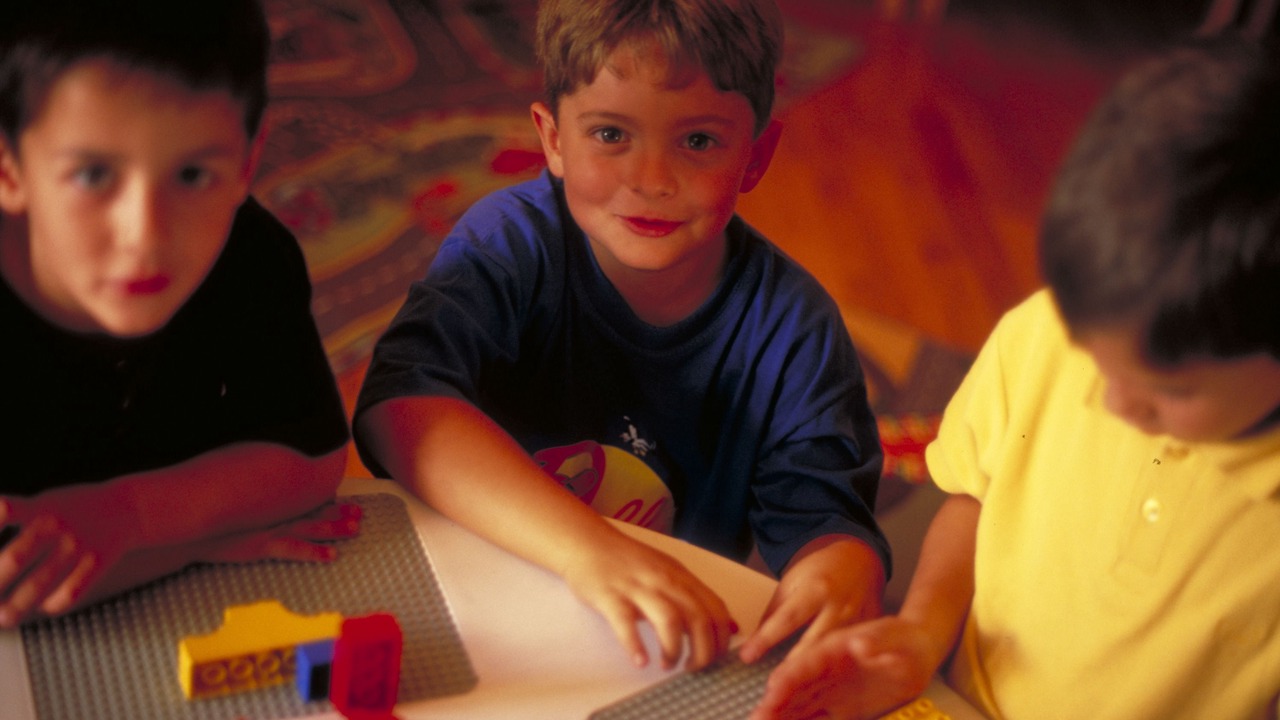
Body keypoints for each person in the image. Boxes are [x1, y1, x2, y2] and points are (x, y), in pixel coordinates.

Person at [752, 37, 1280, 720]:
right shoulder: (1046, 332)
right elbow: (977, 498)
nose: (1114, 402)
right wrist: (920, 631)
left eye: (1170, 391)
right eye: (1094, 355)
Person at [354, 0, 890, 672]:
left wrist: (842, 570)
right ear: (552, 139)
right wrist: (593, 553)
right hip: (478, 599)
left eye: (698, 141)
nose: (651, 180)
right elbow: (400, 408)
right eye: (611, 135)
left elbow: (825, 523)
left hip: (652, 644)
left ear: (756, 156)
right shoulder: (508, 243)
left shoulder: (796, 328)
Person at [0, 0, 357, 630]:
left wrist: (125, 517)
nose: (146, 236)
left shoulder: (251, 254)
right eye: (92, 175)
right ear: (9, 170)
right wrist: (191, 543)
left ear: (248, 161)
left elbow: (309, 459)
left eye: (193, 173)